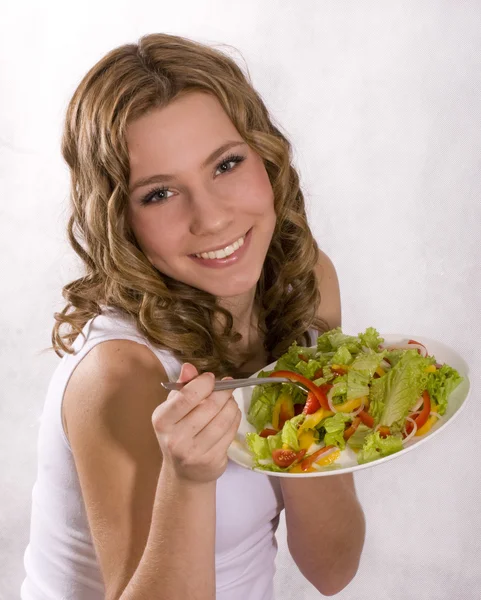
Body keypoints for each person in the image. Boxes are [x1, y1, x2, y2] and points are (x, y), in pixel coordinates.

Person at [21, 33, 366, 600]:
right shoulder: (119, 375)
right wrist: (187, 481)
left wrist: (303, 410)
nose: (210, 218)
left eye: (226, 164)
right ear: (119, 220)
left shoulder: (306, 283)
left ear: (266, 156)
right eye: (159, 194)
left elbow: (332, 570)